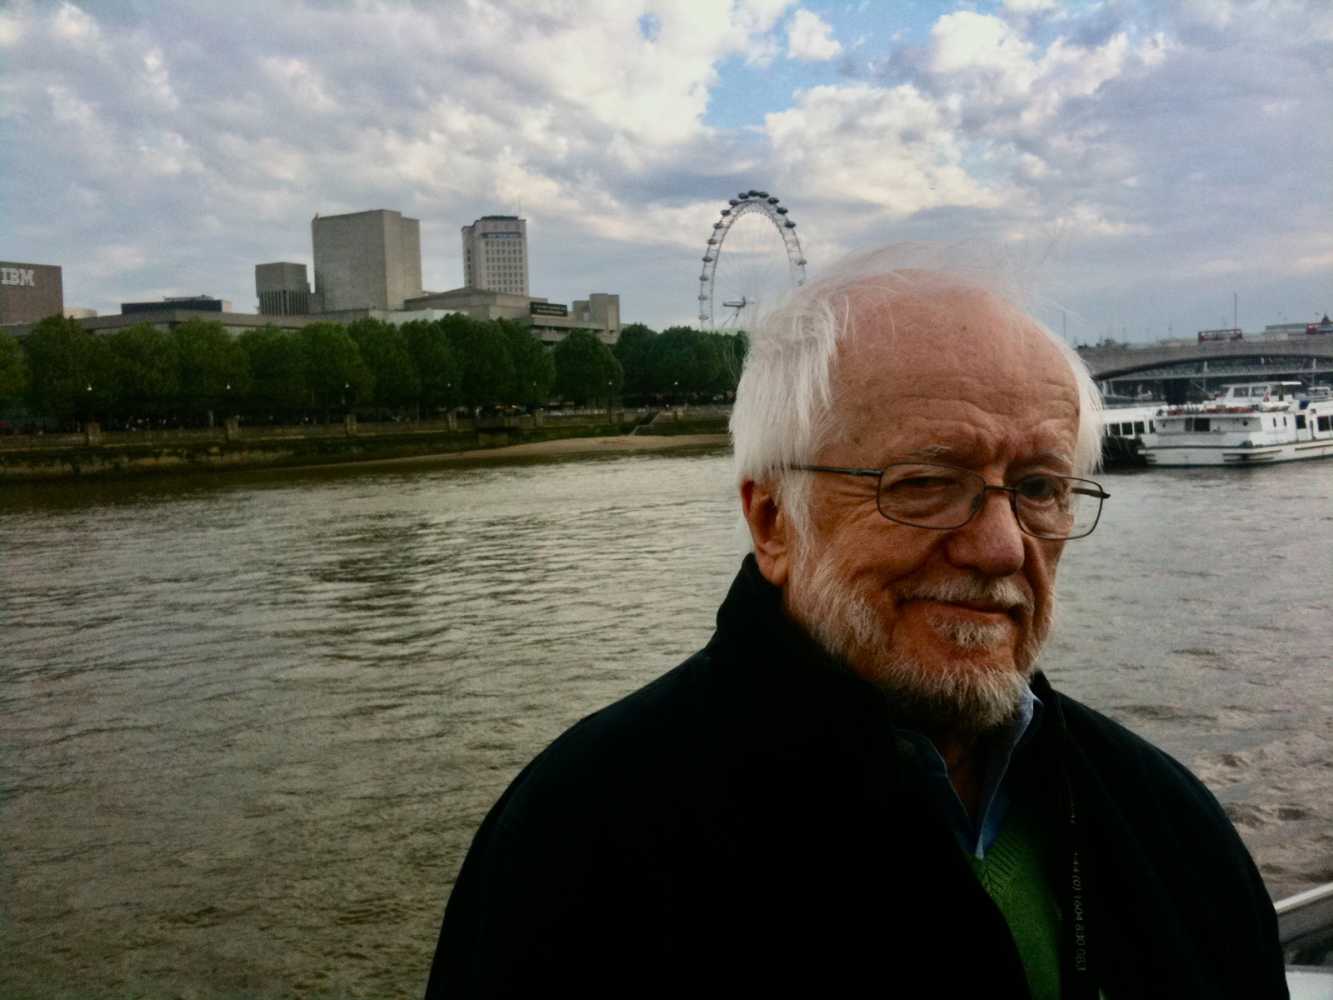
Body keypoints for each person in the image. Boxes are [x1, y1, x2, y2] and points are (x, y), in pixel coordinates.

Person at [425, 254, 1286, 998]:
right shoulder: (576, 847)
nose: (998, 547)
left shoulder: (1168, 823)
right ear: (772, 522)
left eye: (1036, 488)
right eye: (922, 483)